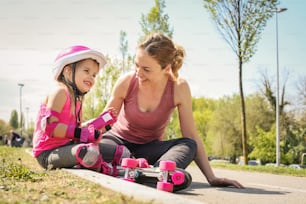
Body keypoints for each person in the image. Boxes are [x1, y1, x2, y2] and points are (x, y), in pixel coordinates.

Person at [101, 33, 244, 188]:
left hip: (150, 150)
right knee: (99, 147)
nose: (138, 73)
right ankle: (143, 173)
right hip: (117, 143)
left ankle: (152, 173)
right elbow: (103, 121)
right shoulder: (127, 82)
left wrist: (211, 178)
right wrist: (79, 136)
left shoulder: (179, 88)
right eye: (136, 65)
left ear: (166, 68)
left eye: (146, 69)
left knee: (189, 144)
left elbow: (190, 134)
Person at [32, 45, 131, 175]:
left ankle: (127, 164)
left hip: (68, 146)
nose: (91, 77)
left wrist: (101, 123)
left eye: (94, 75)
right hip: (48, 153)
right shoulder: (60, 92)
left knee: (121, 152)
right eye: (86, 71)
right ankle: (105, 168)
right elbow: (51, 127)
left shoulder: (78, 101)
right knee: (87, 152)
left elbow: (77, 128)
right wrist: (82, 133)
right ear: (68, 71)